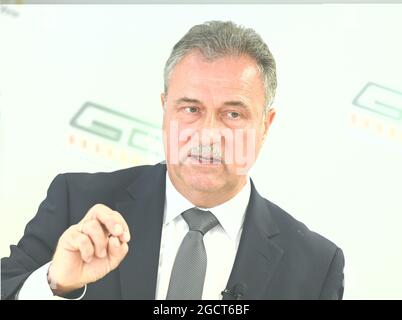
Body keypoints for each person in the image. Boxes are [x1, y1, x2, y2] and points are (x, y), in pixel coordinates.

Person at [1, 20, 344, 300]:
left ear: (265, 125)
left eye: (233, 114)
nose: (208, 134)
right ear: (165, 110)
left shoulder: (315, 266)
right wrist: (54, 285)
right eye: (191, 109)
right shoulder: (76, 201)